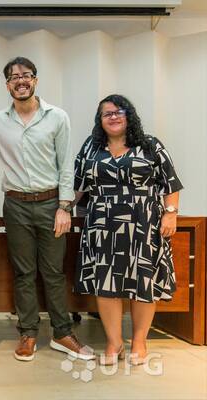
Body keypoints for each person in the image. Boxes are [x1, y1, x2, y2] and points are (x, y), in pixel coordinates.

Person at [0, 56, 94, 362]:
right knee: (24, 273)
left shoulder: (57, 117)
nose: (21, 80)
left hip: (50, 204)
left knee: (53, 272)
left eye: (26, 75)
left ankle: (62, 333)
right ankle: (28, 333)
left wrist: (64, 207)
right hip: (15, 205)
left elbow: (66, 164)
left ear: (35, 80)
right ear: (7, 85)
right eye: (14, 77)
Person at [73, 94, 183, 366]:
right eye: (107, 113)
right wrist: (63, 208)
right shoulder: (91, 147)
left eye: (118, 112)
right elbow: (76, 186)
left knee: (143, 281)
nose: (113, 117)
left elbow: (170, 183)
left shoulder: (150, 145)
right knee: (106, 283)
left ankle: (139, 342)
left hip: (143, 224)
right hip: (102, 226)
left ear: (128, 115)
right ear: (100, 120)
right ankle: (114, 343)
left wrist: (170, 214)